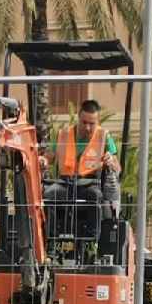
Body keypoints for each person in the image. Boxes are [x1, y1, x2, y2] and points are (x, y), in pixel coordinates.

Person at [44, 99, 121, 238]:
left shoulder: (104, 137)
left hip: (90, 184)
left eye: (92, 124)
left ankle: (92, 241)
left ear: (97, 122)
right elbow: (50, 156)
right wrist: (43, 160)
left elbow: (117, 166)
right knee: (50, 194)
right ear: (78, 119)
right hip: (65, 184)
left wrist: (110, 160)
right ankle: (51, 239)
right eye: (84, 123)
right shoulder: (64, 135)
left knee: (96, 196)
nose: (87, 128)